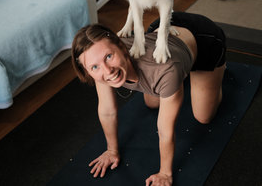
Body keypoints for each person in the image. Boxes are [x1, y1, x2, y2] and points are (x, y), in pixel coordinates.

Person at [71, 11, 226, 186]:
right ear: (87, 71)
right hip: (165, 31)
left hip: (203, 39)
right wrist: (111, 150)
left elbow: (166, 132)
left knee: (203, 116)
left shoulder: (165, 71)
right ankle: (181, 77)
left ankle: (217, 73)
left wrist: (165, 173)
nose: (107, 71)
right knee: (152, 102)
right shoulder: (100, 61)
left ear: (121, 46)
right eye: (94, 67)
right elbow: (107, 111)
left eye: (109, 56)